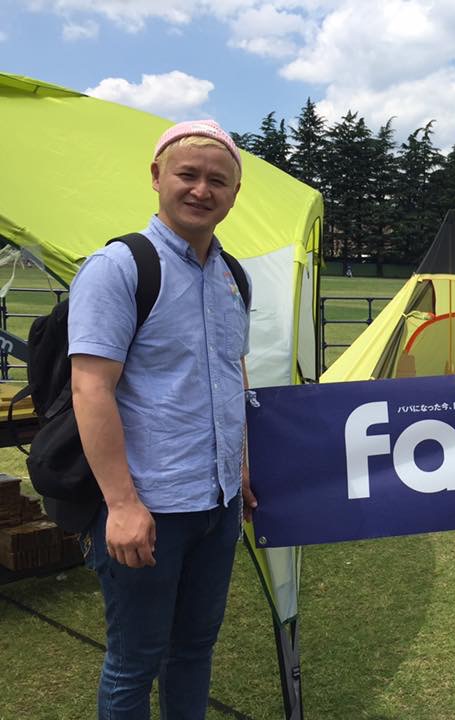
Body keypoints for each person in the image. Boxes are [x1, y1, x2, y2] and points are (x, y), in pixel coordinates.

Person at [70, 119, 258, 719]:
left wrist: (243, 466)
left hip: (218, 502)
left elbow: (233, 375)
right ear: (157, 177)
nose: (202, 190)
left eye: (218, 181)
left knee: (195, 650)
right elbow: (91, 387)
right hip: (148, 505)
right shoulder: (119, 266)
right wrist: (122, 507)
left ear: (233, 192)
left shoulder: (234, 277)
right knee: (135, 660)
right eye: (188, 175)